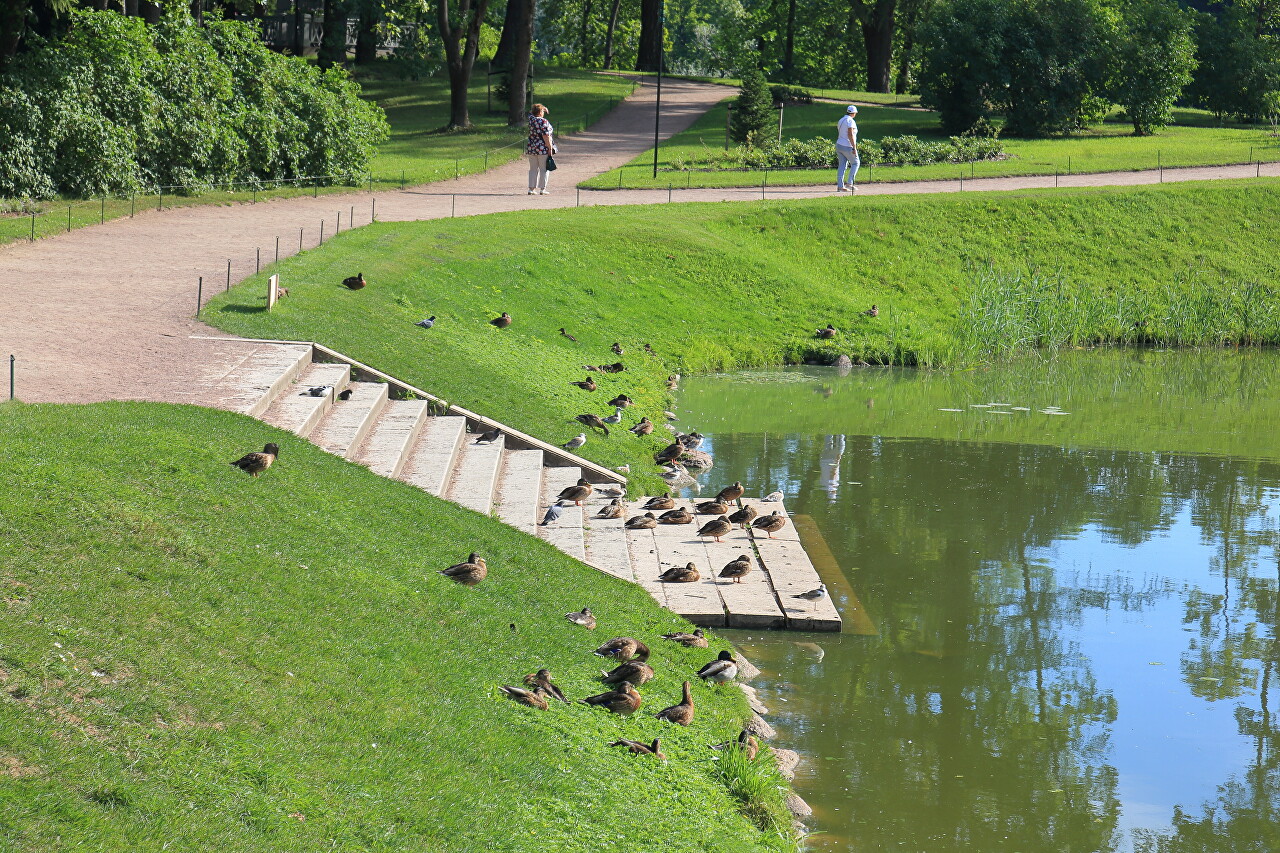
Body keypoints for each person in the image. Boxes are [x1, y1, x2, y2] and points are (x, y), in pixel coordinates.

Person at [527, 103, 557, 195]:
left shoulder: (531, 120)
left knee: (533, 169)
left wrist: (541, 108)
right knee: (544, 169)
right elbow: (546, 136)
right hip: (542, 148)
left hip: (532, 148)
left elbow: (530, 113)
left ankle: (531, 189)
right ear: (540, 112)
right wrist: (550, 148)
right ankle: (542, 189)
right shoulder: (543, 121)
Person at [836, 104, 859, 193]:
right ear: (853, 113)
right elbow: (850, 134)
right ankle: (850, 183)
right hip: (847, 145)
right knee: (856, 163)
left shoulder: (841, 120)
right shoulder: (850, 121)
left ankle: (840, 186)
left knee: (842, 165)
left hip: (839, 144)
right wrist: (854, 147)